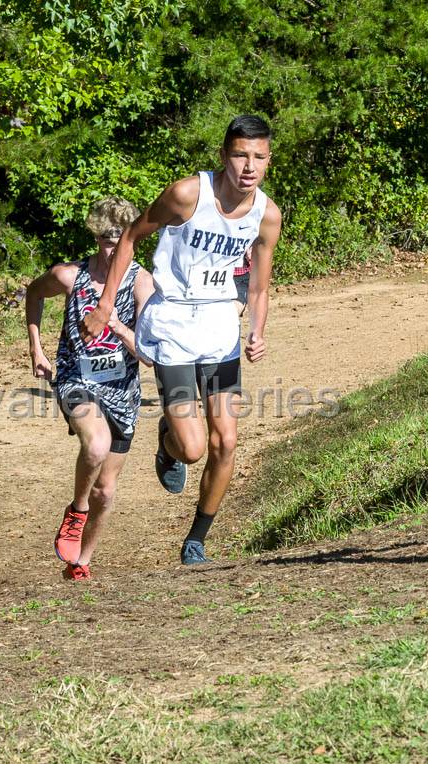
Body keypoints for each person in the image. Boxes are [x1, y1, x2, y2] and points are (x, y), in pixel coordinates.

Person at [80, 115, 283, 565]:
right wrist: (105, 306)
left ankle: (197, 539)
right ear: (223, 156)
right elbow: (131, 238)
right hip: (172, 324)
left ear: (268, 161)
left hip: (219, 331)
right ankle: (168, 439)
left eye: (258, 157)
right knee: (192, 450)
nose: (248, 166)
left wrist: (257, 332)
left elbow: (260, 288)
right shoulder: (188, 194)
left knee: (226, 442)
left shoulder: (266, 215)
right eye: (239, 155)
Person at [26, 197, 155, 580]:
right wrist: (36, 348)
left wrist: (116, 326)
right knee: (95, 445)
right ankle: (76, 510)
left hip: (122, 390)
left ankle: (81, 560)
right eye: (105, 238)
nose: (112, 247)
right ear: (95, 236)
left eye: (120, 238)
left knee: (107, 490)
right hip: (74, 378)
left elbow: (149, 355)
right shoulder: (70, 276)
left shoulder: (142, 284)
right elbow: (33, 294)